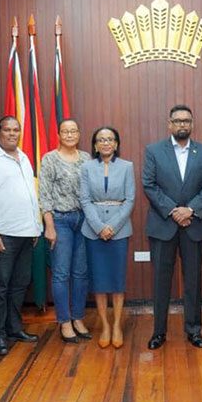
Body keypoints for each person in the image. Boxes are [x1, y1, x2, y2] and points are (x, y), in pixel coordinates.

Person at [142, 105, 202, 349]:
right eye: (177, 121)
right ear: (169, 124)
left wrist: (191, 210)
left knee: (193, 281)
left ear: (192, 124)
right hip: (164, 225)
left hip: (194, 225)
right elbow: (149, 185)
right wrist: (174, 210)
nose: (182, 125)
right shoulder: (153, 150)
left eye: (186, 121)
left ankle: (194, 330)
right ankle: (159, 332)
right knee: (160, 282)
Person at [0, 116, 42, 356]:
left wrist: (35, 227)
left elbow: (29, 194)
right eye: (7, 130)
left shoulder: (23, 157)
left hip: (27, 232)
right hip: (3, 233)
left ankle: (15, 328)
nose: (12, 134)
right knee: (0, 286)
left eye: (16, 130)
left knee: (20, 284)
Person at [80, 127, 135, 349]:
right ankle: (104, 325)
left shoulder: (127, 167)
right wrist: (98, 227)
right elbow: (84, 199)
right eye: (101, 140)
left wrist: (111, 226)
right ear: (94, 145)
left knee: (117, 280)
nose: (105, 143)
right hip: (93, 231)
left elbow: (130, 200)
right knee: (100, 282)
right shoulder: (86, 167)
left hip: (119, 231)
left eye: (110, 139)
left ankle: (117, 326)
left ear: (116, 144)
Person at [38, 118, 92, 344]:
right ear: (59, 135)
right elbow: (44, 195)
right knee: (61, 273)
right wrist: (49, 226)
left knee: (80, 272)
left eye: (73, 131)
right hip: (60, 220)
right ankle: (65, 321)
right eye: (65, 132)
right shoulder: (49, 159)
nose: (69, 135)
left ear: (79, 134)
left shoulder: (87, 159)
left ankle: (78, 317)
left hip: (84, 221)